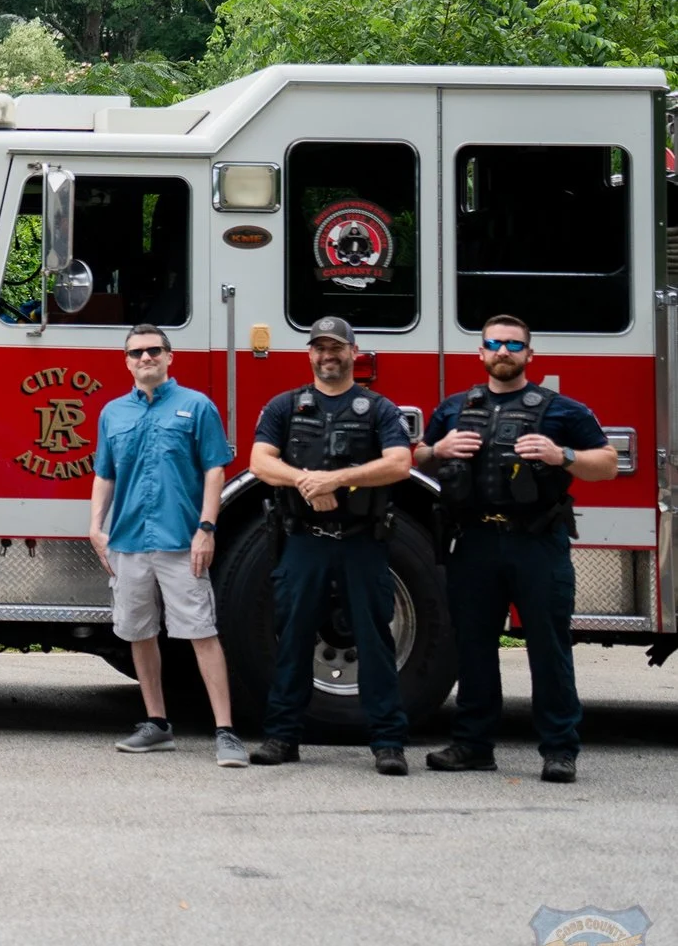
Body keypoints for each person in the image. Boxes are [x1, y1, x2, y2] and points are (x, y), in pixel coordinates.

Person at [418, 314, 615, 784]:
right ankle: (472, 745)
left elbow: (608, 463)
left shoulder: (563, 411)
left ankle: (559, 750)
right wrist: (437, 450)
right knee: (474, 647)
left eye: (513, 344)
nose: (503, 352)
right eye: (494, 344)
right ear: (480, 353)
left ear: (530, 354)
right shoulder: (453, 409)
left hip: (537, 543)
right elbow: (418, 457)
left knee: (548, 648)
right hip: (474, 542)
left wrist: (562, 455)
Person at [246, 316, 417, 775]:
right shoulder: (284, 407)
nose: (328, 356)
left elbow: (400, 463)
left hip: (362, 542)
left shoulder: (378, 409)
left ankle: (388, 742)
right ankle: (282, 737)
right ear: (310, 355)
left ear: (353, 353)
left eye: (337, 348)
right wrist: (306, 481)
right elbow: (260, 461)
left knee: (375, 642)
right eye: (320, 348)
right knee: (293, 638)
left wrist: (337, 480)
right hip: (305, 542)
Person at [86, 324, 244, 767]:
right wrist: (95, 526)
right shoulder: (113, 414)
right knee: (139, 632)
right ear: (126, 362)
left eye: (154, 350)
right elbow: (104, 474)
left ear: (170, 356)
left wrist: (206, 528)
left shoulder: (197, 406)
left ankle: (226, 732)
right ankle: (156, 724)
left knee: (201, 632)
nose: (145, 358)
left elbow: (215, 470)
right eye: (136, 352)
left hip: (181, 541)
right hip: (128, 541)